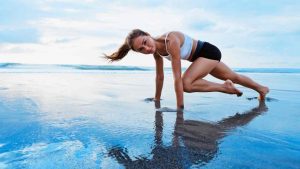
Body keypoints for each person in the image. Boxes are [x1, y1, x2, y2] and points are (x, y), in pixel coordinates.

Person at [104, 29, 269, 110]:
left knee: (186, 84)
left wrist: (179, 109)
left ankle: (225, 88)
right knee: (234, 76)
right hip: (199, 59)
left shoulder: (170, 41)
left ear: (148, 34)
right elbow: (160, 77)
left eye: (145, 42)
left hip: (208, 52)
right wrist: (156, 99)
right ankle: (262, 89)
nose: (147, 48)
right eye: (141, 49)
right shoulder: (156, 53)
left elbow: (177, 78)